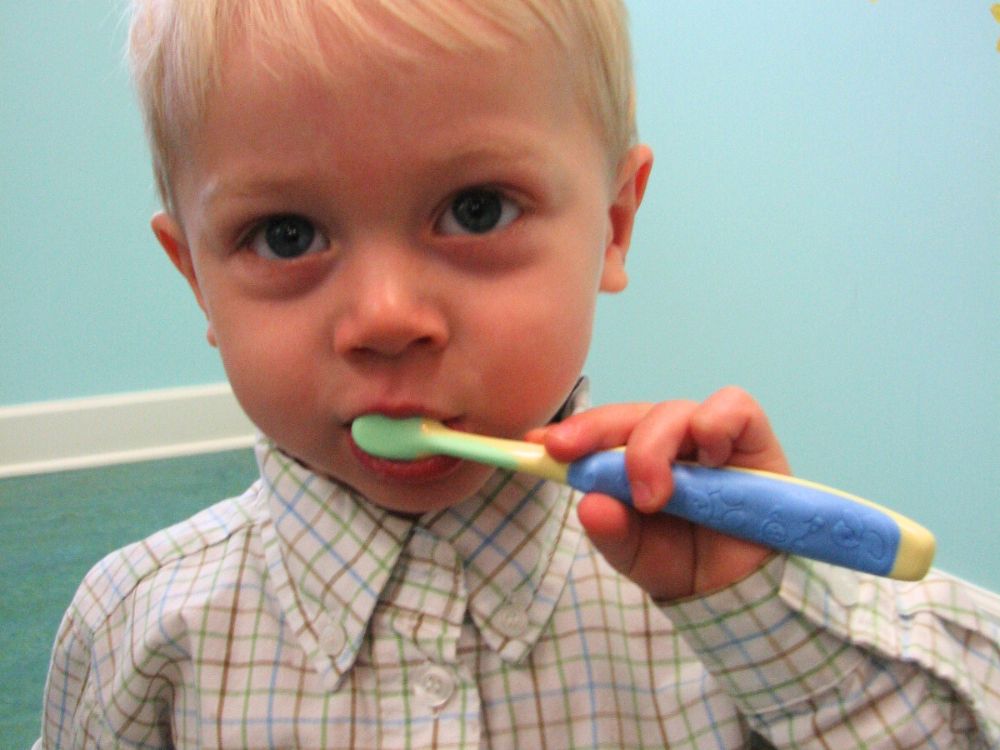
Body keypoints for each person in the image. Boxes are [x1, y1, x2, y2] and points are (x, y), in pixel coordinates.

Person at [35, 1, 1000, 747]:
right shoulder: (139, 627)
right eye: (286, 235)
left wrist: (774, 620)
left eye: (477, 209)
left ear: (614, 225)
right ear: (197, 278)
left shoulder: (728, 593)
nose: (384, 320)